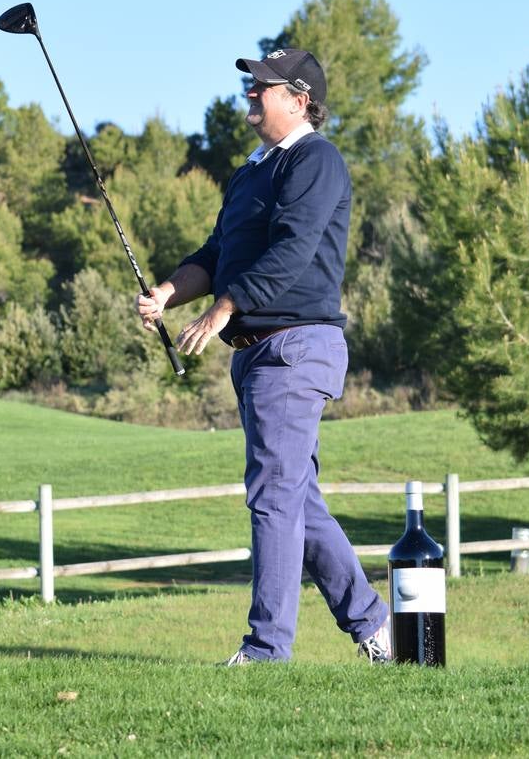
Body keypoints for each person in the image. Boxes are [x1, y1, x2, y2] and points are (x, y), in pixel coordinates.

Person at [135, 48, 391, 664]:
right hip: (257, 357)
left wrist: (221, 309)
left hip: (296, 347)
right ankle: (376, 627)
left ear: (299, 100)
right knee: (295, 497)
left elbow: (292, 252)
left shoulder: (316, 160)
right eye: (250, 86)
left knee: (274, 495)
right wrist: (171, 292)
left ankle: (267, 649)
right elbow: (218, 250)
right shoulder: (252, 171)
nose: (250, 94)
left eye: (263, 88)